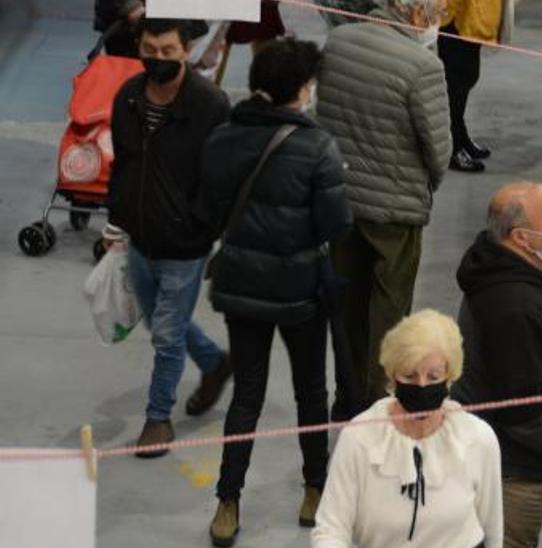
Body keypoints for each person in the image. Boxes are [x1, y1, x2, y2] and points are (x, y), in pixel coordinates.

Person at [196, 38, 353, 547]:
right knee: (311, 391)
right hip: (300, 291)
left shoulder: (222, 136)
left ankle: (228, 502)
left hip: (240, 284)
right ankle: (314, 490)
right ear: (304, 89)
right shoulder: (318, 147)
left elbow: (207, 210)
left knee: (247, 395)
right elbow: (335, 224)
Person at [316, 0, 452, 418]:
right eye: (435, 17)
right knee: (390, 313)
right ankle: (379, 405)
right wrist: (427, 184)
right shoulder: (421, 65)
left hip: (341, 198)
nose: (435, 27)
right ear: (416, 15)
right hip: (396, 210)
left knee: (348, 307)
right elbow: (438, 147)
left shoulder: (337, 42)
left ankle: (346, 397)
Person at [104, 17, 231, 458]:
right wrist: (117, 218)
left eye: (168, 52)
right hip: (138, 235)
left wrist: (200, 226)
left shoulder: (211, 105)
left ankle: (158, 419)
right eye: (150, 51)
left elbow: (221, 176)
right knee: (159, 319)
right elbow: (123, 162)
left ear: (185, 51)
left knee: (166, 334)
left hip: (185, 244)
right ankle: (215, 362)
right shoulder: (129, 97)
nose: (158, 59)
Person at [451, 181, 542, 548]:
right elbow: (520, 413)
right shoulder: (511, 307)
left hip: (529, 459)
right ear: (521, 237)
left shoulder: (527, 266)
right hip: (513, 474)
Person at [312, 309, 503, 548]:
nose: (422, 386)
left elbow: (493, 529)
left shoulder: (478, 439)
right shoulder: (359, 439)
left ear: (450, 376)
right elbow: (331, 529)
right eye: (410, 376)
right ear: (392, 374)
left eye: (433, 377)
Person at [437, 0, 513, 172]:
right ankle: (453, 147)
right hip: (456, 16)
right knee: (456, 82)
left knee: (466, 76)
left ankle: (460, 136)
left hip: (471, 17)